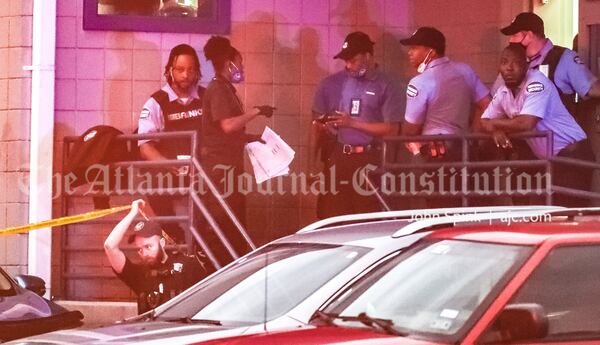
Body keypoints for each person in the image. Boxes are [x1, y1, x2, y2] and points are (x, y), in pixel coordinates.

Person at [480, 44, 594, 207]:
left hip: (572, 154)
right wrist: (495, 131)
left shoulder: (537, 82)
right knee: (543, 214)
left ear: (526, 66)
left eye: (516, 63)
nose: (509, 68)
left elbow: (525, 123)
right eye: (504, 62)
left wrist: (497, 125)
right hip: (550, 160)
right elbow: (483, 121)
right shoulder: (503, 90)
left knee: (568, 216)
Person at [311, 31, 404, 219]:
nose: (349, 66)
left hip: (369, 158)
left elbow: (393, 129)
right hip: (340, 155)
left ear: (368, 57)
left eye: (353, 60)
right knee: (332, 214)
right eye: (346, 61)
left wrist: (353, 124)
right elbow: (316, 123)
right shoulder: (334, 83)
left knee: (366, 214)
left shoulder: (386, 84)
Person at [201, 36, 275, 263]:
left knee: (235, 223)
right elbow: (227, 125)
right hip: (220, 172)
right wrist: (257, 111)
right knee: (227, 227)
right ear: (229, 62)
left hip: (228, 168)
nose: (241, 68)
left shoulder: (225, 89)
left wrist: (253, 139)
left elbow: (229, 133)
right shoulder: (218, 89)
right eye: (239, 62)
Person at [399, 27, 491, 206]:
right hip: (465, 149)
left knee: (438, 209)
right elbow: (487, 105)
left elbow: (411, 128)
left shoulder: (419, 82)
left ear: (431, 52)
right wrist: (473, 134)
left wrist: (404, 135)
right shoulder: (466, 71)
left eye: (415, 48)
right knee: (463, 207)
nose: (409, 53)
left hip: (434, 154)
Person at [137, 43, 204, 243]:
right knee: (152, 183)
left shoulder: (207, 97)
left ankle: (205, 246)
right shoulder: (156, 102)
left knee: (224, 184)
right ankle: (175, 238)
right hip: (170, 172)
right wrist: (168, 164)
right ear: (170, 71)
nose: (186, 75)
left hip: (203, 170)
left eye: (191, 69)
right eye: (180, 69)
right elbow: (145, 146)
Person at [104, 199, 206, 314]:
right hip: (149, 330)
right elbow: (109, 245)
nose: (144, 252)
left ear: (162, 243)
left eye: (148, 246)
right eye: (139, 249)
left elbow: (207, 301)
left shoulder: (188, 265)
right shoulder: (138, 274)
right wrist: (133, 213)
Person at [499, 12, 600, 117]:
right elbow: (496, 102)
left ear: (529, 36)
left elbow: (591, 89)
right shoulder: (511, 64)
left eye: (515, 35)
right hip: (521, 131)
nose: (511, 40)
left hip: (556, 132)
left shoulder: (564, 58)